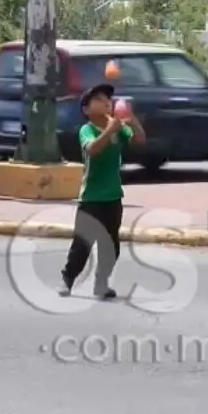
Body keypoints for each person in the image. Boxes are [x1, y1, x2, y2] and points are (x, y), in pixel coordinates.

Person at [58, 83, 146, 300]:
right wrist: (111, 128)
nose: (105, 102)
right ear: (86, 109)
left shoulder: (116, 127)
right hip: (91, 198)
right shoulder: (87, 130)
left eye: (107, 99)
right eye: (98, 99)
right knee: (82, 245)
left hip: (113, 196)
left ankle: (101, 283)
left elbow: (139, 139)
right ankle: (68, 279)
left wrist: (132, 120)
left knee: (111, 246)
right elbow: (93, 149)